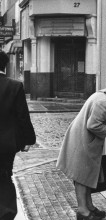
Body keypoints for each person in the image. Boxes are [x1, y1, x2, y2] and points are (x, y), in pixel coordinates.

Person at [56, 78, 106, 220]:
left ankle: (89, 207)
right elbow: (93, 125)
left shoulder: (104, 95)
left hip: (83, 139)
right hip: (83, 140)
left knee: (86, 175)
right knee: (82, 176)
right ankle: (83, 211)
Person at [0, 51, 36, 220]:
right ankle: (6, 212)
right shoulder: (14, 86)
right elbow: (22, 115)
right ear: (5, 66)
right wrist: (28, 140)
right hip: (6, 144)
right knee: (5, 176)